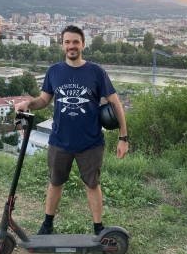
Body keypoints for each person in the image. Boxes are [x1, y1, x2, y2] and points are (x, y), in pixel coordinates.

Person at [15, 25, 128, 236]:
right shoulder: (54, 71)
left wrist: (123, 137)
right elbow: (43, 100)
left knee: (92, 185)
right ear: (62, 45)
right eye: (67, 42)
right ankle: (47, 225)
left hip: (90, 142)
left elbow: (116, 103)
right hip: (60, 141)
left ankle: (98, 229)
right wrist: (28, 103)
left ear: (83, 44)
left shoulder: (96, 72)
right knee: (55, 183)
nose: (71, 46)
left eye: (75, 42)